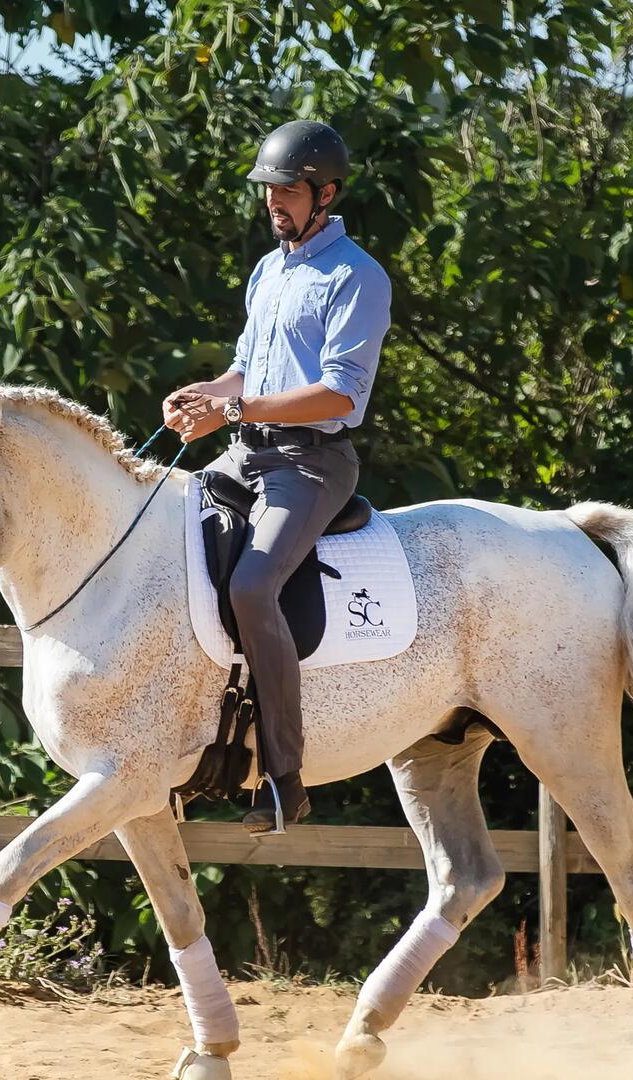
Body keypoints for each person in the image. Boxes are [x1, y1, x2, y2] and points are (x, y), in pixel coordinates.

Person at [163, 119, 393, 834]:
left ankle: (285, 777)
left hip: (310, 462)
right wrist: (203, 394)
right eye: (267, 191)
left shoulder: (357, 275)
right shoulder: (271, 270)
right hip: (247, 451)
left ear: (326, 193)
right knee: (167, 545)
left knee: (252, 585)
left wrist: (236, 406)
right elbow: (243, 372)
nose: (273, 204)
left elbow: (340, 394)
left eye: (286, 192)